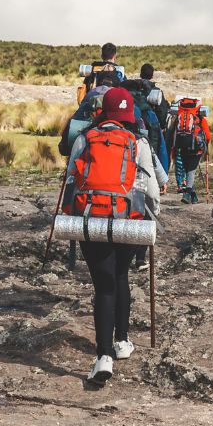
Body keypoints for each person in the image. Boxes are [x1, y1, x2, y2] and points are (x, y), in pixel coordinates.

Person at [61, 87, 161, 384]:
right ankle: (123, 341)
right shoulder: (138, 142)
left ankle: (103, 357)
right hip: (126, 221)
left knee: (104, 286)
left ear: (104, 111)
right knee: (121, 277)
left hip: (91, 219)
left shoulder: (84, 138)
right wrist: (151, 217)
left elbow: (71, 179)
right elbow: (152, 190)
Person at [166, 96, 212, 203]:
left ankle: (193, 195)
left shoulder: (179, 117)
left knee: (188, 170)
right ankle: (187, 194)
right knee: (191, 170)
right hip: (197, 149)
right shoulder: (200, 118)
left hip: (182, 147)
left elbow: (171, 133)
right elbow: (208, 136)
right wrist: (206, 146)